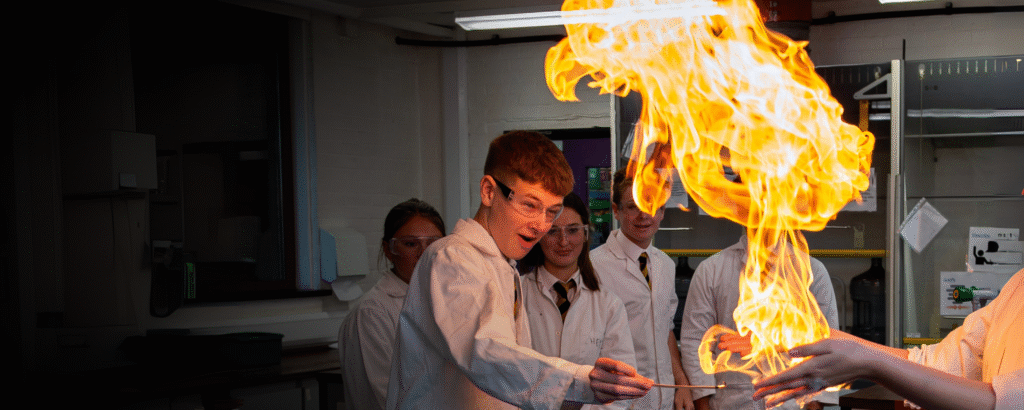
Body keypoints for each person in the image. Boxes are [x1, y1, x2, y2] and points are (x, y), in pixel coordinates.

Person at [386, 131, 653, 410]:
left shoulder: (502, 266)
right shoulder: (453, 258)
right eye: (529, 205)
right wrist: (580, 381)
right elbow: (487, 352)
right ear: (489, 191)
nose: (540, 224)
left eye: (551, 211)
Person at [751, 267, 1024, 410]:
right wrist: (840, 343)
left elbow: (1003, 403)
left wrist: (868, 362)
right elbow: (936, 363)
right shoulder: (1018, 285)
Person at [679, 235, 839, 410]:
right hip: (731, 403)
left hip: (793, 405)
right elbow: (694, 342)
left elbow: (827, 345)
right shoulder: (712, 269)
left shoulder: (812, 270)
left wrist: (815, 403)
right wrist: (703, 403)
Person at [519, 192, 638, 410]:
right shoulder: (517, 293)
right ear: (538, 235)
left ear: (585, 234)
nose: (563, 241)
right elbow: (508, 372)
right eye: (552, 231)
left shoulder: (608, 305)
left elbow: (620, 385)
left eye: (573, 230)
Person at [591, 168, 695, 410]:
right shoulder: (594, 267)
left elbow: (665, 327)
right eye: (632, 207)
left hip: (663, 398)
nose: (643, 216)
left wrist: (681, 382)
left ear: (661, 212)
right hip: (617, 402)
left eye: (651, 206)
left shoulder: (664, 265)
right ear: (616, 210)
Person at [337, 198, 446, 410]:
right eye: (410, 244)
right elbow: (386, 398)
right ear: (388, 250)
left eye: (433, 244)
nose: (423, 254)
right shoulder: (372, 313)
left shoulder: (443, 302)